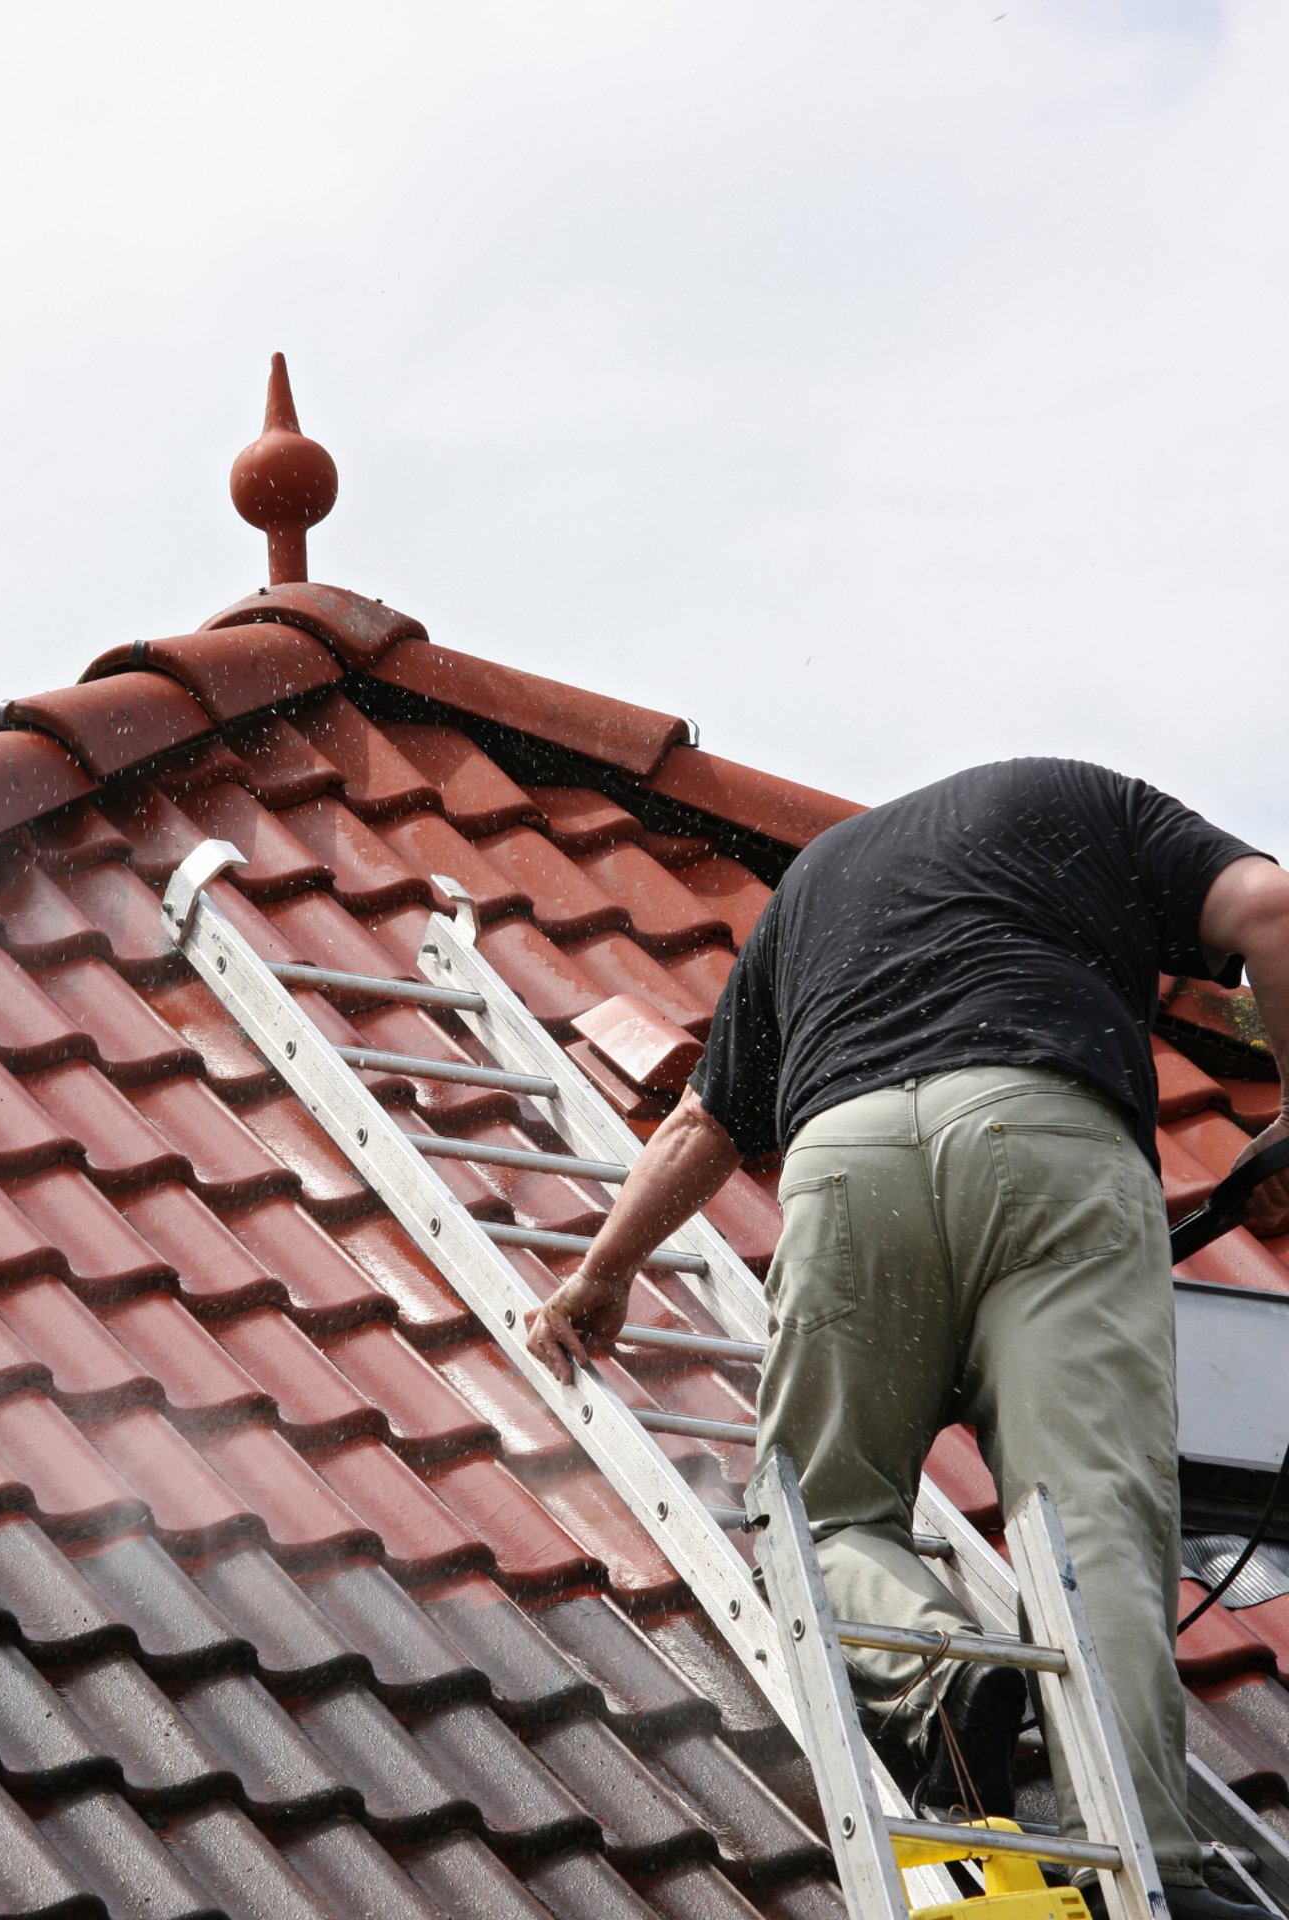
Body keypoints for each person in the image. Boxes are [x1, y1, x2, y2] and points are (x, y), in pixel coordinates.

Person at [525, 758, 1289, 1920]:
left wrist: (599, 1274)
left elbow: (705, 1119)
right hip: (1053, 1137)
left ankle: (937, 1674)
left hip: (847, 1162)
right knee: (1094, 1510)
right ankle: (1141, 1870)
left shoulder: (812, 884)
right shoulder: (1093, 804)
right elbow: (1271, 914)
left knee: (824, 1506)